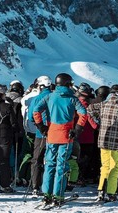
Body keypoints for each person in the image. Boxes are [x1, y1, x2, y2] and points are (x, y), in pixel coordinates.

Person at [33, 73, 87, 207]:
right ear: (68, 84)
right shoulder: (72, 99)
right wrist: (77, 129)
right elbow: (83, 113)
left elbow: (36, 110)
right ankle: (58, 195)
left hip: (51, 134)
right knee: (61, 166)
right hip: (66, 135)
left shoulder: (49, 96)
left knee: (50, 164)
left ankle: (47, 194)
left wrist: (42, 127)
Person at [87, 87, 118, 201]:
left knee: (105, 166)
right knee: (115, 167)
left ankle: (100, 190)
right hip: (116, 142)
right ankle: (111, 192)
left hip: (103, 140)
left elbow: (89, 108)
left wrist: (98, 120)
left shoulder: (103, 104)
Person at [27, 75, 52, 196]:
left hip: (41, 133)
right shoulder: (55, 97)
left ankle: (35, 186)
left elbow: (31, 116)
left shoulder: (37, 99)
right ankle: (50, 186)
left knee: (36, 160)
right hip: (56, 133)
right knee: (52, 160)